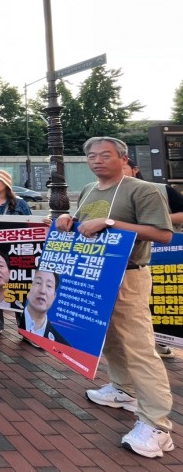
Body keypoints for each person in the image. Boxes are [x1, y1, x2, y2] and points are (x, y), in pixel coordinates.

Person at [55, 136, 174, 459]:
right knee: (109, 338)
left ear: (123, 158)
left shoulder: (143, 190)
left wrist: (110, 222)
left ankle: (157, 425)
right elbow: (85, 226)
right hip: (95, 275)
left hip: (129, 275)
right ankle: (122, 389)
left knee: (139, 348)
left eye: (105, 155)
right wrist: (69, 222)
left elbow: (163, 234)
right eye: (91, 156)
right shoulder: (89, 190)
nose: (97, 160)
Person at [122, 158, 181, 359]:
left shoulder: (159, 190)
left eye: (123, 168)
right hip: (128, 260)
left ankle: (160, 341)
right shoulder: (105, 192)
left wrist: (158, 220)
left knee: (162, 296)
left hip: (165, 254)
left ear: (134, 169)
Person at [19, 269, 67, 344]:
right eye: (38, 282)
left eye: (49, 286)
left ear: (54, 296)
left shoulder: (60, 343)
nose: (42, 291)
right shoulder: (18, 321)